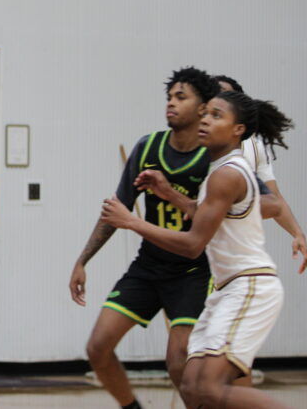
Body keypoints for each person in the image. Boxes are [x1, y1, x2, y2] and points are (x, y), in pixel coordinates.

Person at [101, 90, 292, 408]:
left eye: (217, 115)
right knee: (190, 384)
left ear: (238, 130)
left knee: (210, 388)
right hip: (227, 289)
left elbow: (192, 245)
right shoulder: (220, 171)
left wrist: (132, 222)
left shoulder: (227, 174)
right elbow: (203, 214)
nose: (205, 119)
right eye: (206, 113)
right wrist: (168, 192)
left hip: (250, 285)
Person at [68, 67, 219, 409]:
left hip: (194, 271)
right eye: (169, 97)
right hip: (148, 266)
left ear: (202, 107)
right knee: (98, 347)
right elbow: (116, 210)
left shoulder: (212, 159)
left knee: (179, 361)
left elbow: (206, 222)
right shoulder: (148, 147)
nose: (171, 103)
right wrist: (82, 260)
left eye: (181, 97)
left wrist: (169, 197)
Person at [213, 75, 306, 273]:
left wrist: (297, 233)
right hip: (194, 247)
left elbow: (275, 200)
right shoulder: (193, 140)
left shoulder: (254, 148)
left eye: (225, 96)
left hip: (231, 250)